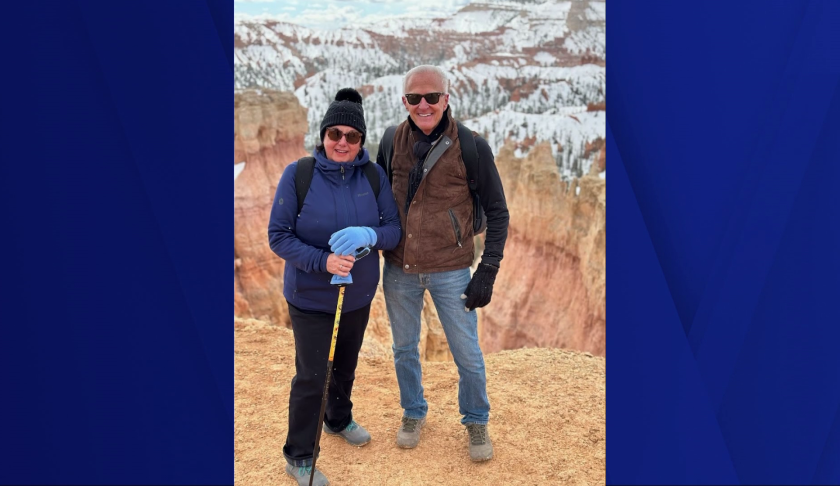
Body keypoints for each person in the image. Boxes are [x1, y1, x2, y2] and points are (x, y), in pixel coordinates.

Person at [375, 65, 510, 462]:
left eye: (432, 97)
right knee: (404, 349)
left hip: (452, 269)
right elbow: (379, 202)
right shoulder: (389, 141)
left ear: (446, 99)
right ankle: (413, 412)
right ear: (404, 101)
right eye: (414, 98)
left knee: (466, 353)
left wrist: (487, 269)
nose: (423, 105)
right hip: (399, 269)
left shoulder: (471, 146)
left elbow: (498, 213)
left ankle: (475, 419)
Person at [268, 87, 401, 486]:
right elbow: (279, 235)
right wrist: (322, 261)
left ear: (362, 140)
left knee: (345, 366)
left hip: (357, 295)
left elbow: (393, 230)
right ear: (324, 135)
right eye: (335, 134)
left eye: (352, 136)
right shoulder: (299, 175)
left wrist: (370, 235)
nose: (342, 142)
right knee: (312, 375)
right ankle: (300, 453)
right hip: (310, 297)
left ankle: (338, 419)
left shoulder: (374, 177)